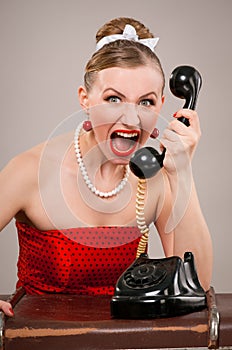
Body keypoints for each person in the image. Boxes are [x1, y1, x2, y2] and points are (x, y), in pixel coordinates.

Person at [0, 17, 213, 317]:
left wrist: (182, 173)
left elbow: (197, 286)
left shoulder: (158, 179)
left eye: (146, 102)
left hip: (122, 341)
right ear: (85, 100)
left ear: (163, 105)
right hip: (39, 340)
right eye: (114, 98)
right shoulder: (30, 170)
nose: (131, 119)